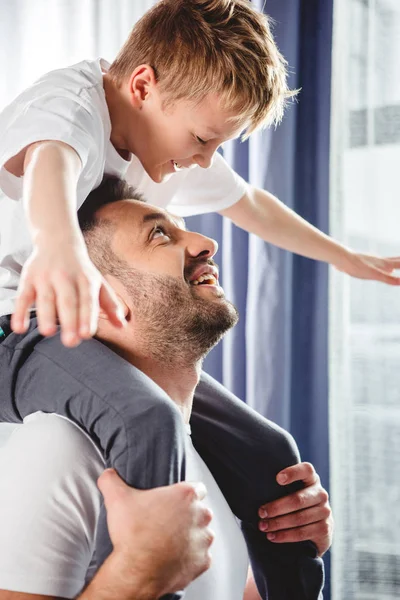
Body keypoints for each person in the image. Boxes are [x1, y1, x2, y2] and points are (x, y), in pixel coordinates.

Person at [0, 0, 352, 596]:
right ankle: (158, 575)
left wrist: (352, 260)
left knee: (273, 454)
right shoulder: (72, 105)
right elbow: (50, 163)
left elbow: (250, 205)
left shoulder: (157, 133)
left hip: (73, 326)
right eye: (202, 140)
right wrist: (58, 244)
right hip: (15, 333)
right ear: (143, 85)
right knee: (146, 419)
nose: (203, 160)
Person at [0, 181, 333, 599]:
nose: (206, 242)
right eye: (159, 234)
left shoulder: (204, 456)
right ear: (98, 299)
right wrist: (138, 572)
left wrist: (301, 540)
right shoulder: (56, 449)